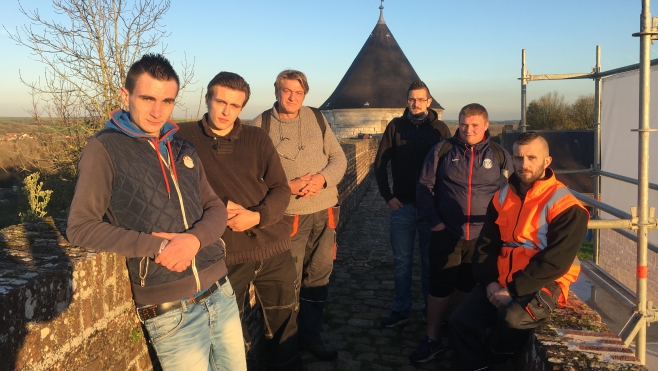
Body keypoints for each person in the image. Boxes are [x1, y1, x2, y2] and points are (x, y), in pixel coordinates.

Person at [66, 54, 246, 371]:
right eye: (147, 98)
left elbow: (215, 207)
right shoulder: (104, 148)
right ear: (125, 96)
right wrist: (157, 246)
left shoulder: (183, 148)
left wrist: (193, 240)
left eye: (167, 101)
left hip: (220, 290)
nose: (156, 111)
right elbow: (80, 227)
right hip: (171, 308)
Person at [176, 72, 302, 371]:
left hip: (272, 246)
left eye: (234, 105)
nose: (226, 111)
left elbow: (281, 188)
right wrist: (219, 206)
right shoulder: (182, 138)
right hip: (225, 254)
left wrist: (257, 216)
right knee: (232, 337)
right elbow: (175, 190)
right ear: (208, 99)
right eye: (220, 102)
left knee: (284, 327)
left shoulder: (256, 138)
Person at [449, 132, 589, 371]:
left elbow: (556, 262)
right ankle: (477, 366)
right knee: (458, 321)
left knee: (511, 321)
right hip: (501, 280)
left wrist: (512, 290)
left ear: (547, 161)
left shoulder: (566, 206)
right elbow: (485, 245)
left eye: (532, 157)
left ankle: (493, 360)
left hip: (541, 283)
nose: (524, 164)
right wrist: (491, 283)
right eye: (518, 157)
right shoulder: (502, 196)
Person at [251, 70, 347, 361]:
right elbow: (253, 175)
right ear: (277, 91)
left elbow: (338, 158)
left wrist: (322, 180)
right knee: (287, 282)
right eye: (287, 91)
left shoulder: (316, 118)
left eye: (299, 92)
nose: (292, 97)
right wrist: (289, 188)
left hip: (325, 212)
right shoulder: (261, 124)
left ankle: (310, 336)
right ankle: (287, 346)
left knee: (318, 277)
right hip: (289, 216)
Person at [411, 103, 513, 362]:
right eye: (464, 124)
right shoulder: (443, 150)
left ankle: (461, 336)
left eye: (474, 125)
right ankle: (432, 338)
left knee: (469, 286)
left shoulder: (500, 155)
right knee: (439, 287)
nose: (468, 130)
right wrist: (434, 222)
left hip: (482, 236)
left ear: (486, 126)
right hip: (447, 231)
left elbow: (510, 194)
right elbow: (424, 186)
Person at [374, 80, 451, 328]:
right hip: (403, 206)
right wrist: (388, 196)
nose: (415, 103)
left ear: (429, 101)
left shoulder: (440, 129)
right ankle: (401, 308)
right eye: (411, 99)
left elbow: (450, 169)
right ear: (406, 101)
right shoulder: (395, 127)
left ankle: (430, 311)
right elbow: (379, 164)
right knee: (402, 262)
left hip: (431, 210)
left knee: (430, 263)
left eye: (420, 99)